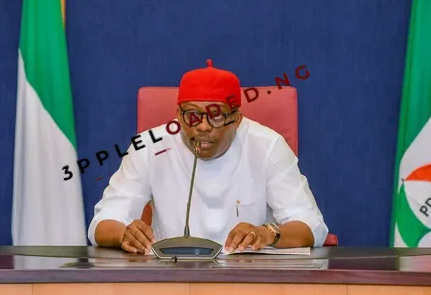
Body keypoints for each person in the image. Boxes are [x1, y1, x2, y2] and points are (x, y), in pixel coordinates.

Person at [88, 59, 329, 253]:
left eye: (216, 116)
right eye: (192, 116)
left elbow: (312, 227)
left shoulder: (268, 146)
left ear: (237, 119)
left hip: (249, 277)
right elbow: (103, 222)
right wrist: (124, 234)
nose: (202, 127)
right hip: (170, 275)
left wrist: (268, 234)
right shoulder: (149, 146)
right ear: (178, 115)